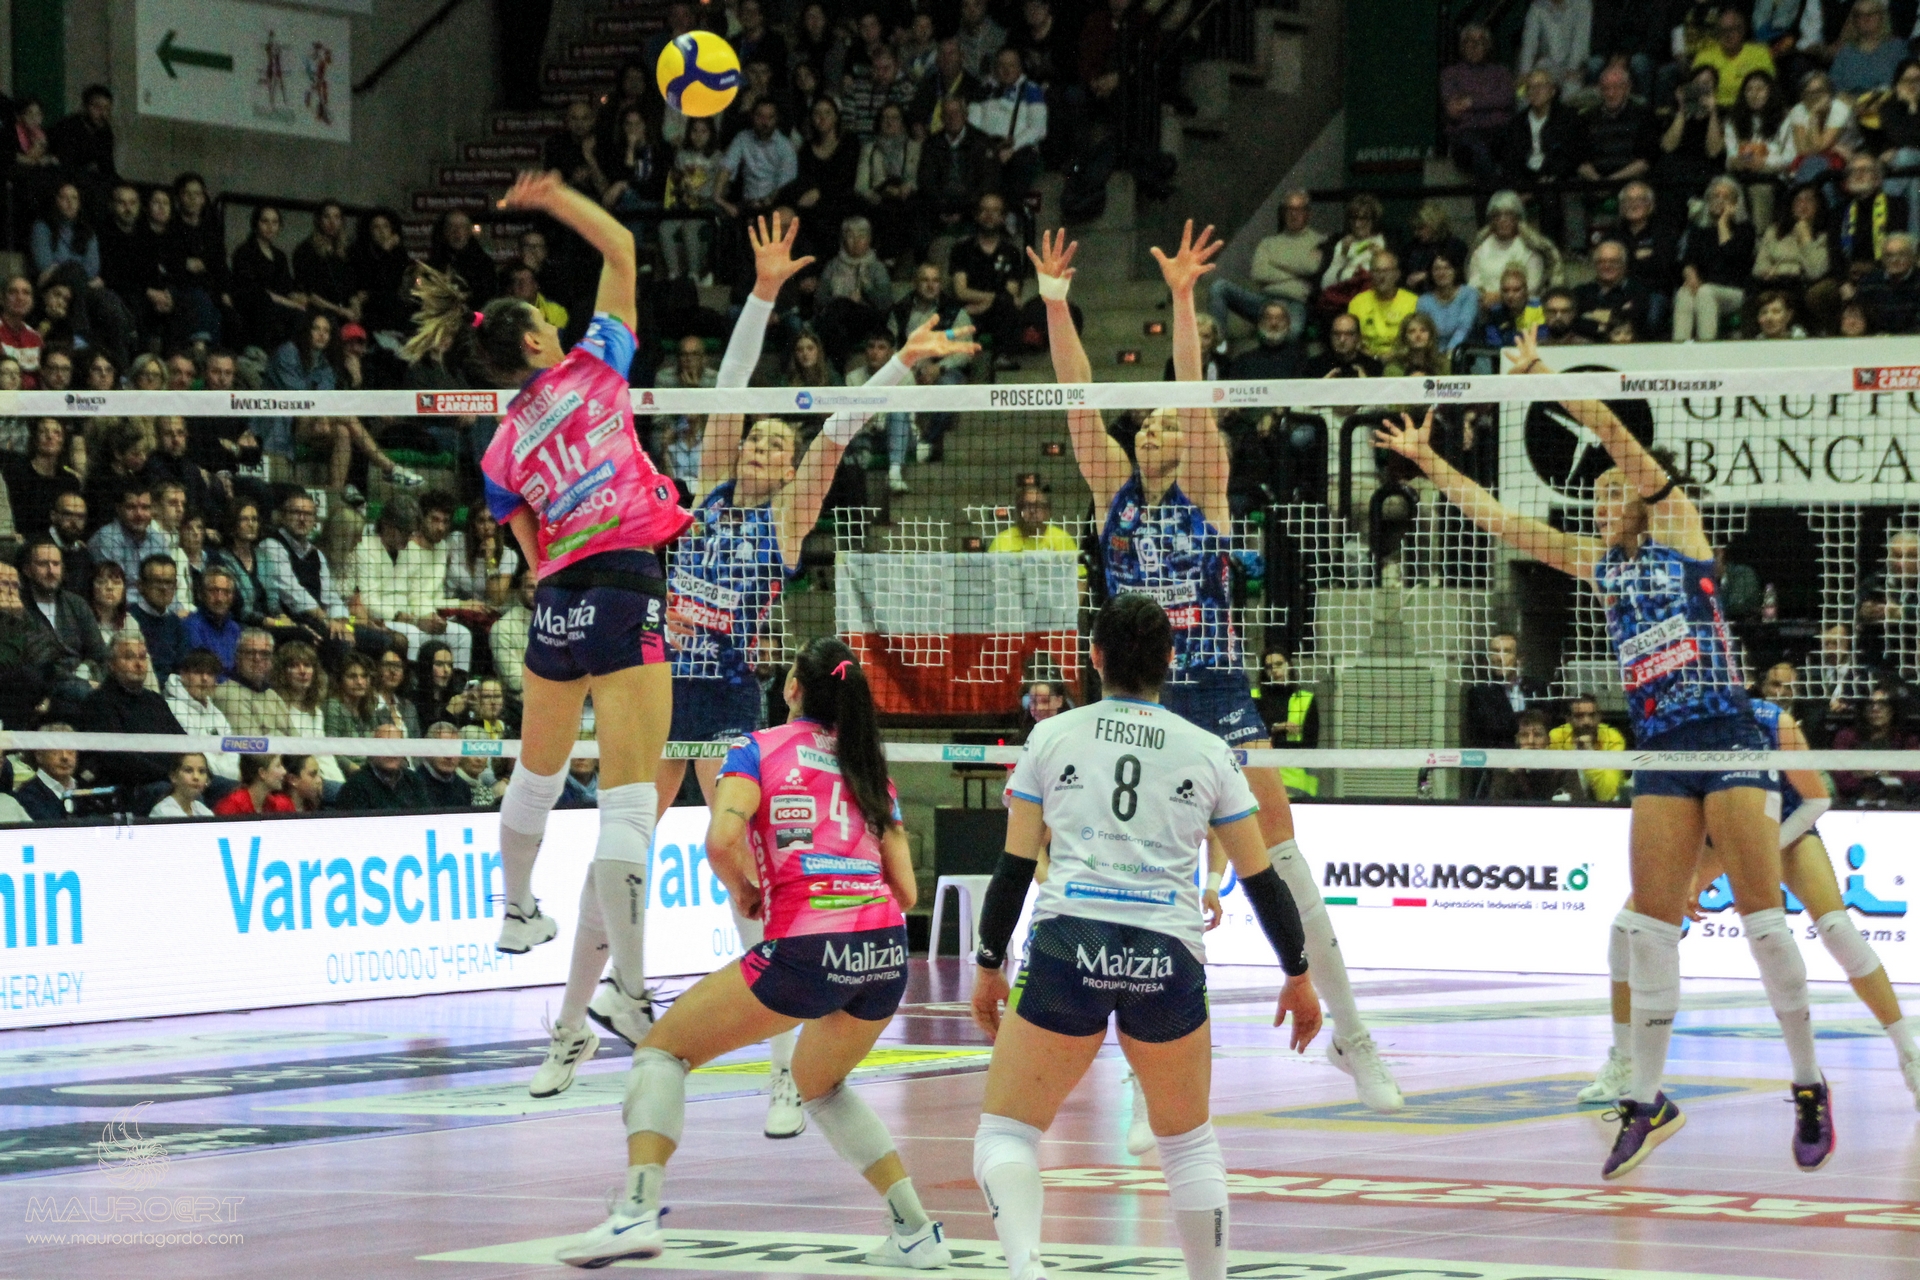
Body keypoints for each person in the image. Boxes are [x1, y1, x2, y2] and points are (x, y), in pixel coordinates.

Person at [1376, 330, 1832, 1178]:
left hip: (1729, 736)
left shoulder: (1683, 534)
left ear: (1644, 499)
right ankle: (1648, 1099)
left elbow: (1619, 438)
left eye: (1612, 491)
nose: (1600, 501)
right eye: (1592, 497)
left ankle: (1807, 1082)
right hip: (1662, 749)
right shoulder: (1600, 566)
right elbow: (1501, 520)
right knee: (1646, 927)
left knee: (1765, 922)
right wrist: (1430, 463)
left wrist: (1542, 382)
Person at [595, 216, 967, 1128]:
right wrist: (761, 293)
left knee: (752, 879)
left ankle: (780, 1069)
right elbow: (729, 386)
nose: (764, 451)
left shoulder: (786, 521)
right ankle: (612, 991)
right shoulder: (706, 490)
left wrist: (899, 364)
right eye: (756, 443)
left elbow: (837, 430)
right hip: (661, 684)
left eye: (776, 447)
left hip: (731, 699)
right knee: (627, 836)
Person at [1033, 220, 1403, 1112]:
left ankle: (1354, 1038)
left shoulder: (1207, 486)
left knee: (1282, 862)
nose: (1155, 428)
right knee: (1147, 887)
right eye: (1148, 422)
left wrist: (1185, 298)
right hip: (1142, 706)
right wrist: (1055, 303)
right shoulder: (1112, 495)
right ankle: (1141, 1083)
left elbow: (1196, 397)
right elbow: (1079, 401)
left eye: (1166, 422)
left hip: (1221, 695)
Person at [415, 172, 690, 1096]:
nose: (558, 324)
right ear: (536, 341)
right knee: (630, 804)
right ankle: (631, 992)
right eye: (545, 318)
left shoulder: (499, 447)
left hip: (558, 601)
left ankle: (515, 909)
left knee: (536, 777)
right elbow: (623, 248)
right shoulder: (596, 366)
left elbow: (529, 549)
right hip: (622, 581)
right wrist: (556, 197)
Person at [556, 641, 948, 1268]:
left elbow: (721, 838)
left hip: (806, 945)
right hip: (884, 952)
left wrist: (744, 889)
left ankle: (635, 1213)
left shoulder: (756, 748)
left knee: (661, 1052)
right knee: (821, 1086)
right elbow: (906, 892)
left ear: (792, 688)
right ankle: (915, 1232)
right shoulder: (870, 769)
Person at [968, 592, 1321, 1280]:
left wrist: (988, 963)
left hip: (1070, 941)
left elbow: (1013, 865)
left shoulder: (1052, 735)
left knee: (1006, 1132)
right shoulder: (1209, 750)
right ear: (1170, 658)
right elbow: (1262, 879)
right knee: (1188, 1147)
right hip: (1166, 953)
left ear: (1094, 657)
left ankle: (1027, 1270)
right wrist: (1298, 973)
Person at [1579, 692, 1920, 1109]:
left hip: (1786, 824)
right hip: (1718, 830)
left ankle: (1910, 1055)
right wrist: (1706, 868)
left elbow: (1818, 799)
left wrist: (1758, 857)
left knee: (1836, 928)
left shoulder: (1771, 720)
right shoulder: (1674, 721)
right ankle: (1625, 1060)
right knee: (1625, 929)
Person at [1209, 189, 1324, 337]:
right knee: (1219, 287)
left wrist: (1275, 261)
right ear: (1283, 213)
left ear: (1307, 213)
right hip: (1264, 301)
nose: (1293, 214)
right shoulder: (1268, 243)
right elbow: (1259, 273)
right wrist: (1298, 275)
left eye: (1298, 209)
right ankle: (1219, 344)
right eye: (1289, 209)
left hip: (1295, 302)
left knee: (1293, 332)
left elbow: (1312, 267)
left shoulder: (1320, 241)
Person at [949, 193, 1027, 367]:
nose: (989, 215)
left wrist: (985, 304)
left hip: (996, 313)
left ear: (1003, 217)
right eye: (984, 210)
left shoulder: (1012, 252)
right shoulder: (961, 249)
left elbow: (1011, 292)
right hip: (968, 314)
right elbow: (961, 292)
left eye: (995, 211)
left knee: (1010, 306)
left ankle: (1003, 357)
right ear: (976, 215)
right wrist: (995, 299)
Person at [1673, 176, 1755, 340]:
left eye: (1726, 197)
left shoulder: (1745, 229)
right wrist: (1689, 273)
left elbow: (1731, 255)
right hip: (1704, 288)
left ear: (1736, 203)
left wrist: (1723, 222)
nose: (1719, 200)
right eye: (1715, 196)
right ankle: (1680, 346)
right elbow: (1688, 259)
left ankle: (1707, 347)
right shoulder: (1698, 229)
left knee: (1705, 292)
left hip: (1735, 291)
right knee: (1684, 293)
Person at [1489, 710, 1587, 801]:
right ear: (1517, 740)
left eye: (1537, 735)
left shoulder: (1562, 768)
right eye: (1524, 735)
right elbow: (1494, 805)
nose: (1531, 741)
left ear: (1548, 740)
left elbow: (1577, 802)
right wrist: (1510, 773)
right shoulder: (1505, 769)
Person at [1551, 692, 1628, 801]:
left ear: (1599, 717)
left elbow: (1606, 795)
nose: (1587, 722)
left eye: (1592, 715)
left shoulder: (1613, 738)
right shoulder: (1557, 737)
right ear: (1568, 719)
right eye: (1579, 716)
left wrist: (1589, 752)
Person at [334, 723, 429, 811]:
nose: (391, 752)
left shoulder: (414, 780)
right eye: (385, 746)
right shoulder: (355, 786)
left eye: (397, 746)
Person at [1345, 250, 1417, 360]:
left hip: (1403, 360)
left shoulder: (1413, 302)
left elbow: (1417, 340)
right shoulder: (1357, 303)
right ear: (1370, 274)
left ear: (1397, 274)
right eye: (1377, 271)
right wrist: (1373, 357)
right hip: (1366, 359)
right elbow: (1352, 339)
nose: (1382, 276)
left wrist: (1394, 355)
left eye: (1386, 271)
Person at [987, 480, 1077, 553]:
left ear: (1047, 511)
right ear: (1019, 510)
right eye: (1027, 506)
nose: (1032, 511)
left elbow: (1078, 570)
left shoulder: (1062, 539)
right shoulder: (1002, 541)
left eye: (1038, 505)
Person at [213, 753, 295, 816]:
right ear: (262, 773)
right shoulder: (231, 807)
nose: (284, 772)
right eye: (278, 766)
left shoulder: (271, 804)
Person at [151, 752, 214, 818]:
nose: (196, 777)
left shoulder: (203, 811)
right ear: (173, 776)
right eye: (188, 770)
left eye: (202, 771)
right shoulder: (162, 812)